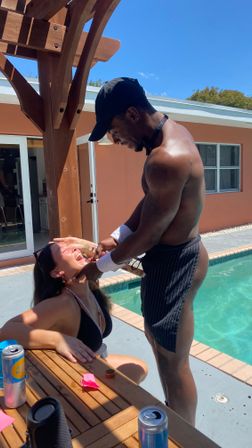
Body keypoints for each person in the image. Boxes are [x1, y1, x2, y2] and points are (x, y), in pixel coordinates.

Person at [79, 77, 209, 425]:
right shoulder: (168, 137)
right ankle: (175, 420)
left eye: (114, 128)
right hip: (171, 259)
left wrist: (100, 267)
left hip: (176, 264)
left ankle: (186, 437)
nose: (113, 138)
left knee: (172, 361)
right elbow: (152, 202)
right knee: (158, 342)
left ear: (133, 113)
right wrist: (117, 234)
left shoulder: (166, 158)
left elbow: (150, 235)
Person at [0, 240, 148, 384]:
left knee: (139, 368)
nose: (76, 249)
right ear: (57, 272)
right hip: (75, 374)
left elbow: (120, 256)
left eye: (75, 248)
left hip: (95, 361)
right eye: (65, 250)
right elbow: (6, 331)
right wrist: (58, 340)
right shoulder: (64, 303)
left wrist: (76, 242)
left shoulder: (90, 286)